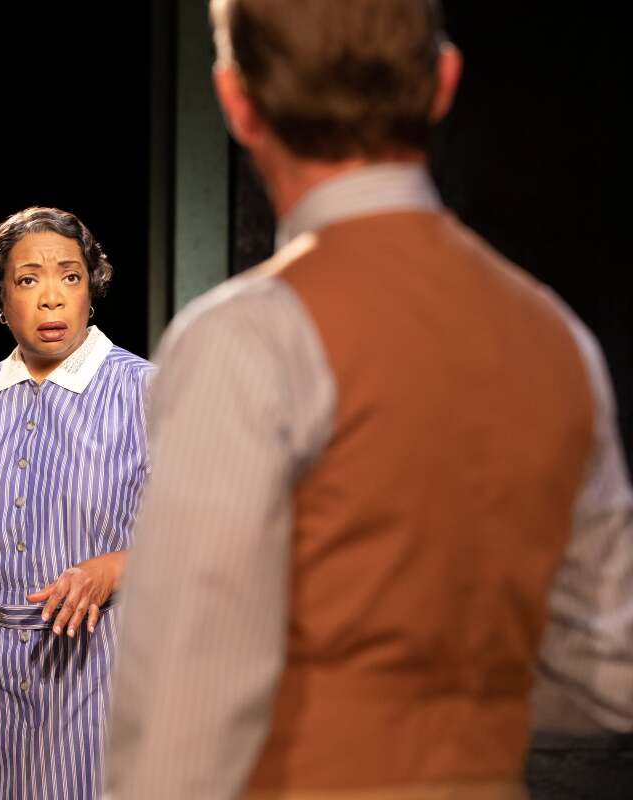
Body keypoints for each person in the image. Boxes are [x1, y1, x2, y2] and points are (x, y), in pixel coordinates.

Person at [105, 1, 633, 798]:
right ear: (442, 82)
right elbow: (610, 673)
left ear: (236, 100)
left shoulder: (247, 339)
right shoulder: (558, 338)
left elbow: (184, 725)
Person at [0, 206, 153, 799]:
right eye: (28, 280)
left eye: (69, 277)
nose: (51, 298)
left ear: (91, 289)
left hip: (97, 667)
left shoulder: (146, 392)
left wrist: (115, 567)